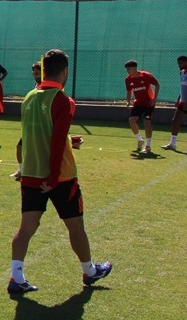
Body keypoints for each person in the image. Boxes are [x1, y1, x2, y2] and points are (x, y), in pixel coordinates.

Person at [7, 48, 112, 295]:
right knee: (75, 226)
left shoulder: (29, 97)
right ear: (65, 71)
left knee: (26, 228)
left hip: (31, 173)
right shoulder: (63, 100)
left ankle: (16, 277)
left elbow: (40, 135)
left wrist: (66, 140)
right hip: (60, 176)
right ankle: (89, 271)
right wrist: (53, 176)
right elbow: (53, 141)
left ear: (43, 70)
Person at [162, 55, 187, 151]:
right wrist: (179, 99)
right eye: (178, 63)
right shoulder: (182, 72)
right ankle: (172, 143)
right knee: (175, 121)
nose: (179, 65)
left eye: (181, 63)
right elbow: (182, 88)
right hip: (182, 102)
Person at [123, 60, 160, 155]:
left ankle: (148, 146)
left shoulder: (146, 75)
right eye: (127, 69)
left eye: (129, 68)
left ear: (135, 68)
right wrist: (128, 101)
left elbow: (157, 84)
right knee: (131, 120)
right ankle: (140, 140)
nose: (127, 70)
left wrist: (154, 99)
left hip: (148, 103)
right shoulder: (128, 79)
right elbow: (129, 91)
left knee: (146, 122)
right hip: (138, 103)